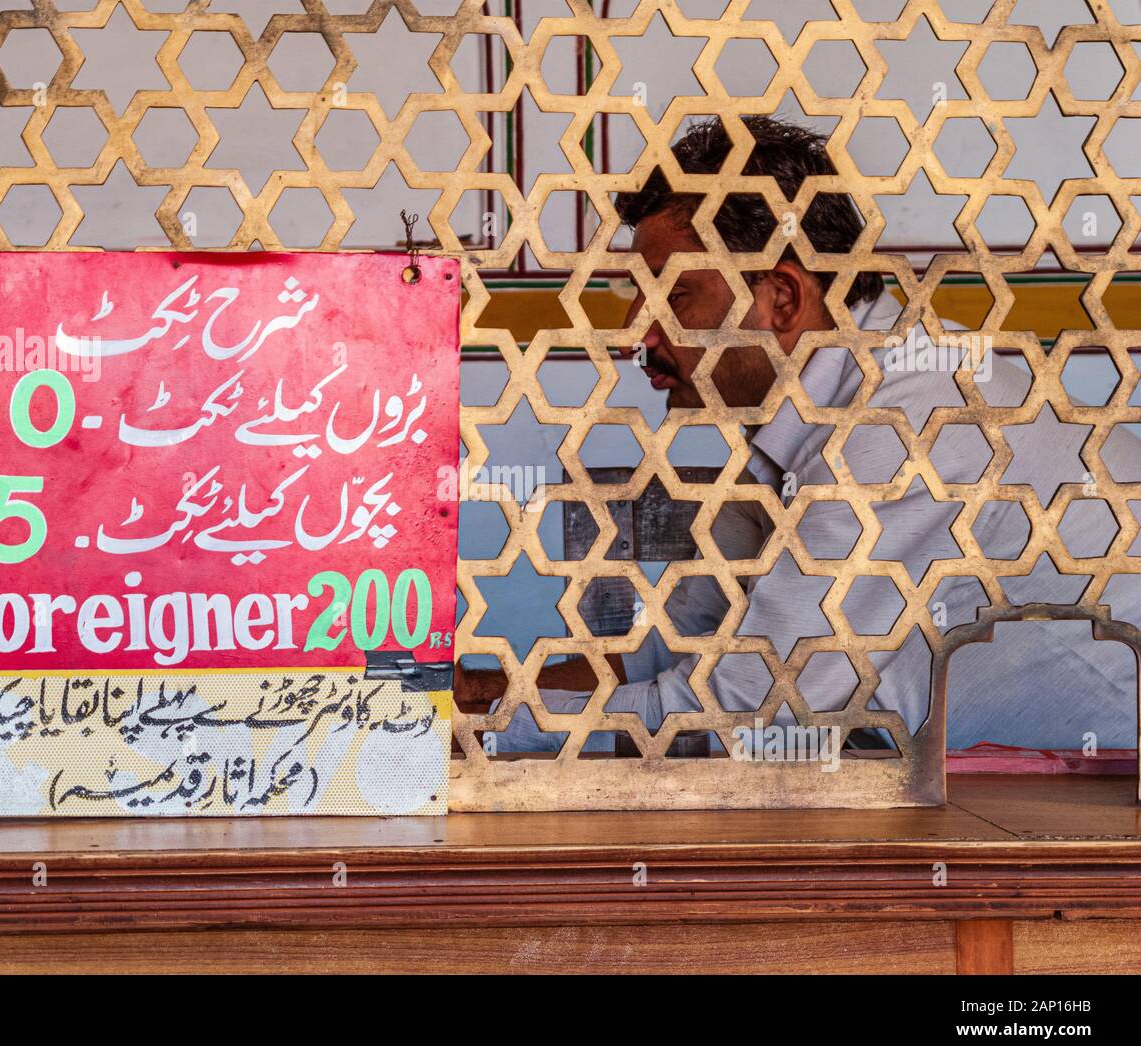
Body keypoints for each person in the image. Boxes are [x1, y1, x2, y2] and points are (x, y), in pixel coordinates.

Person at [456, 115, 1141, 754]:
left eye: (673, 296)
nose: (637, 332)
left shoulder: (905, 422)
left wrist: (497, 732)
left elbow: (751, 716)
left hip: (1099, 814)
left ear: (780, 298)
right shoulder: (801, 426)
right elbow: (676, 648)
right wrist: (489, 697)